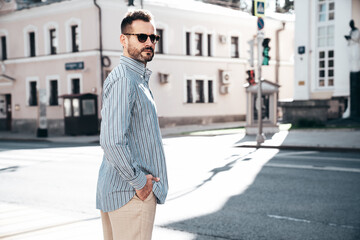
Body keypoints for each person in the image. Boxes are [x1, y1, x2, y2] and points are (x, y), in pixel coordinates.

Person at [96, 9, 168, 240]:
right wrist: (140, 183)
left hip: (125, 192)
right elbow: (111, 141)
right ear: (123, 39)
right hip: (131, 195)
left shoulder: (135, 79)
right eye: (141, 37)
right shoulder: (125, 80)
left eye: (153, 38)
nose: (149, 42)